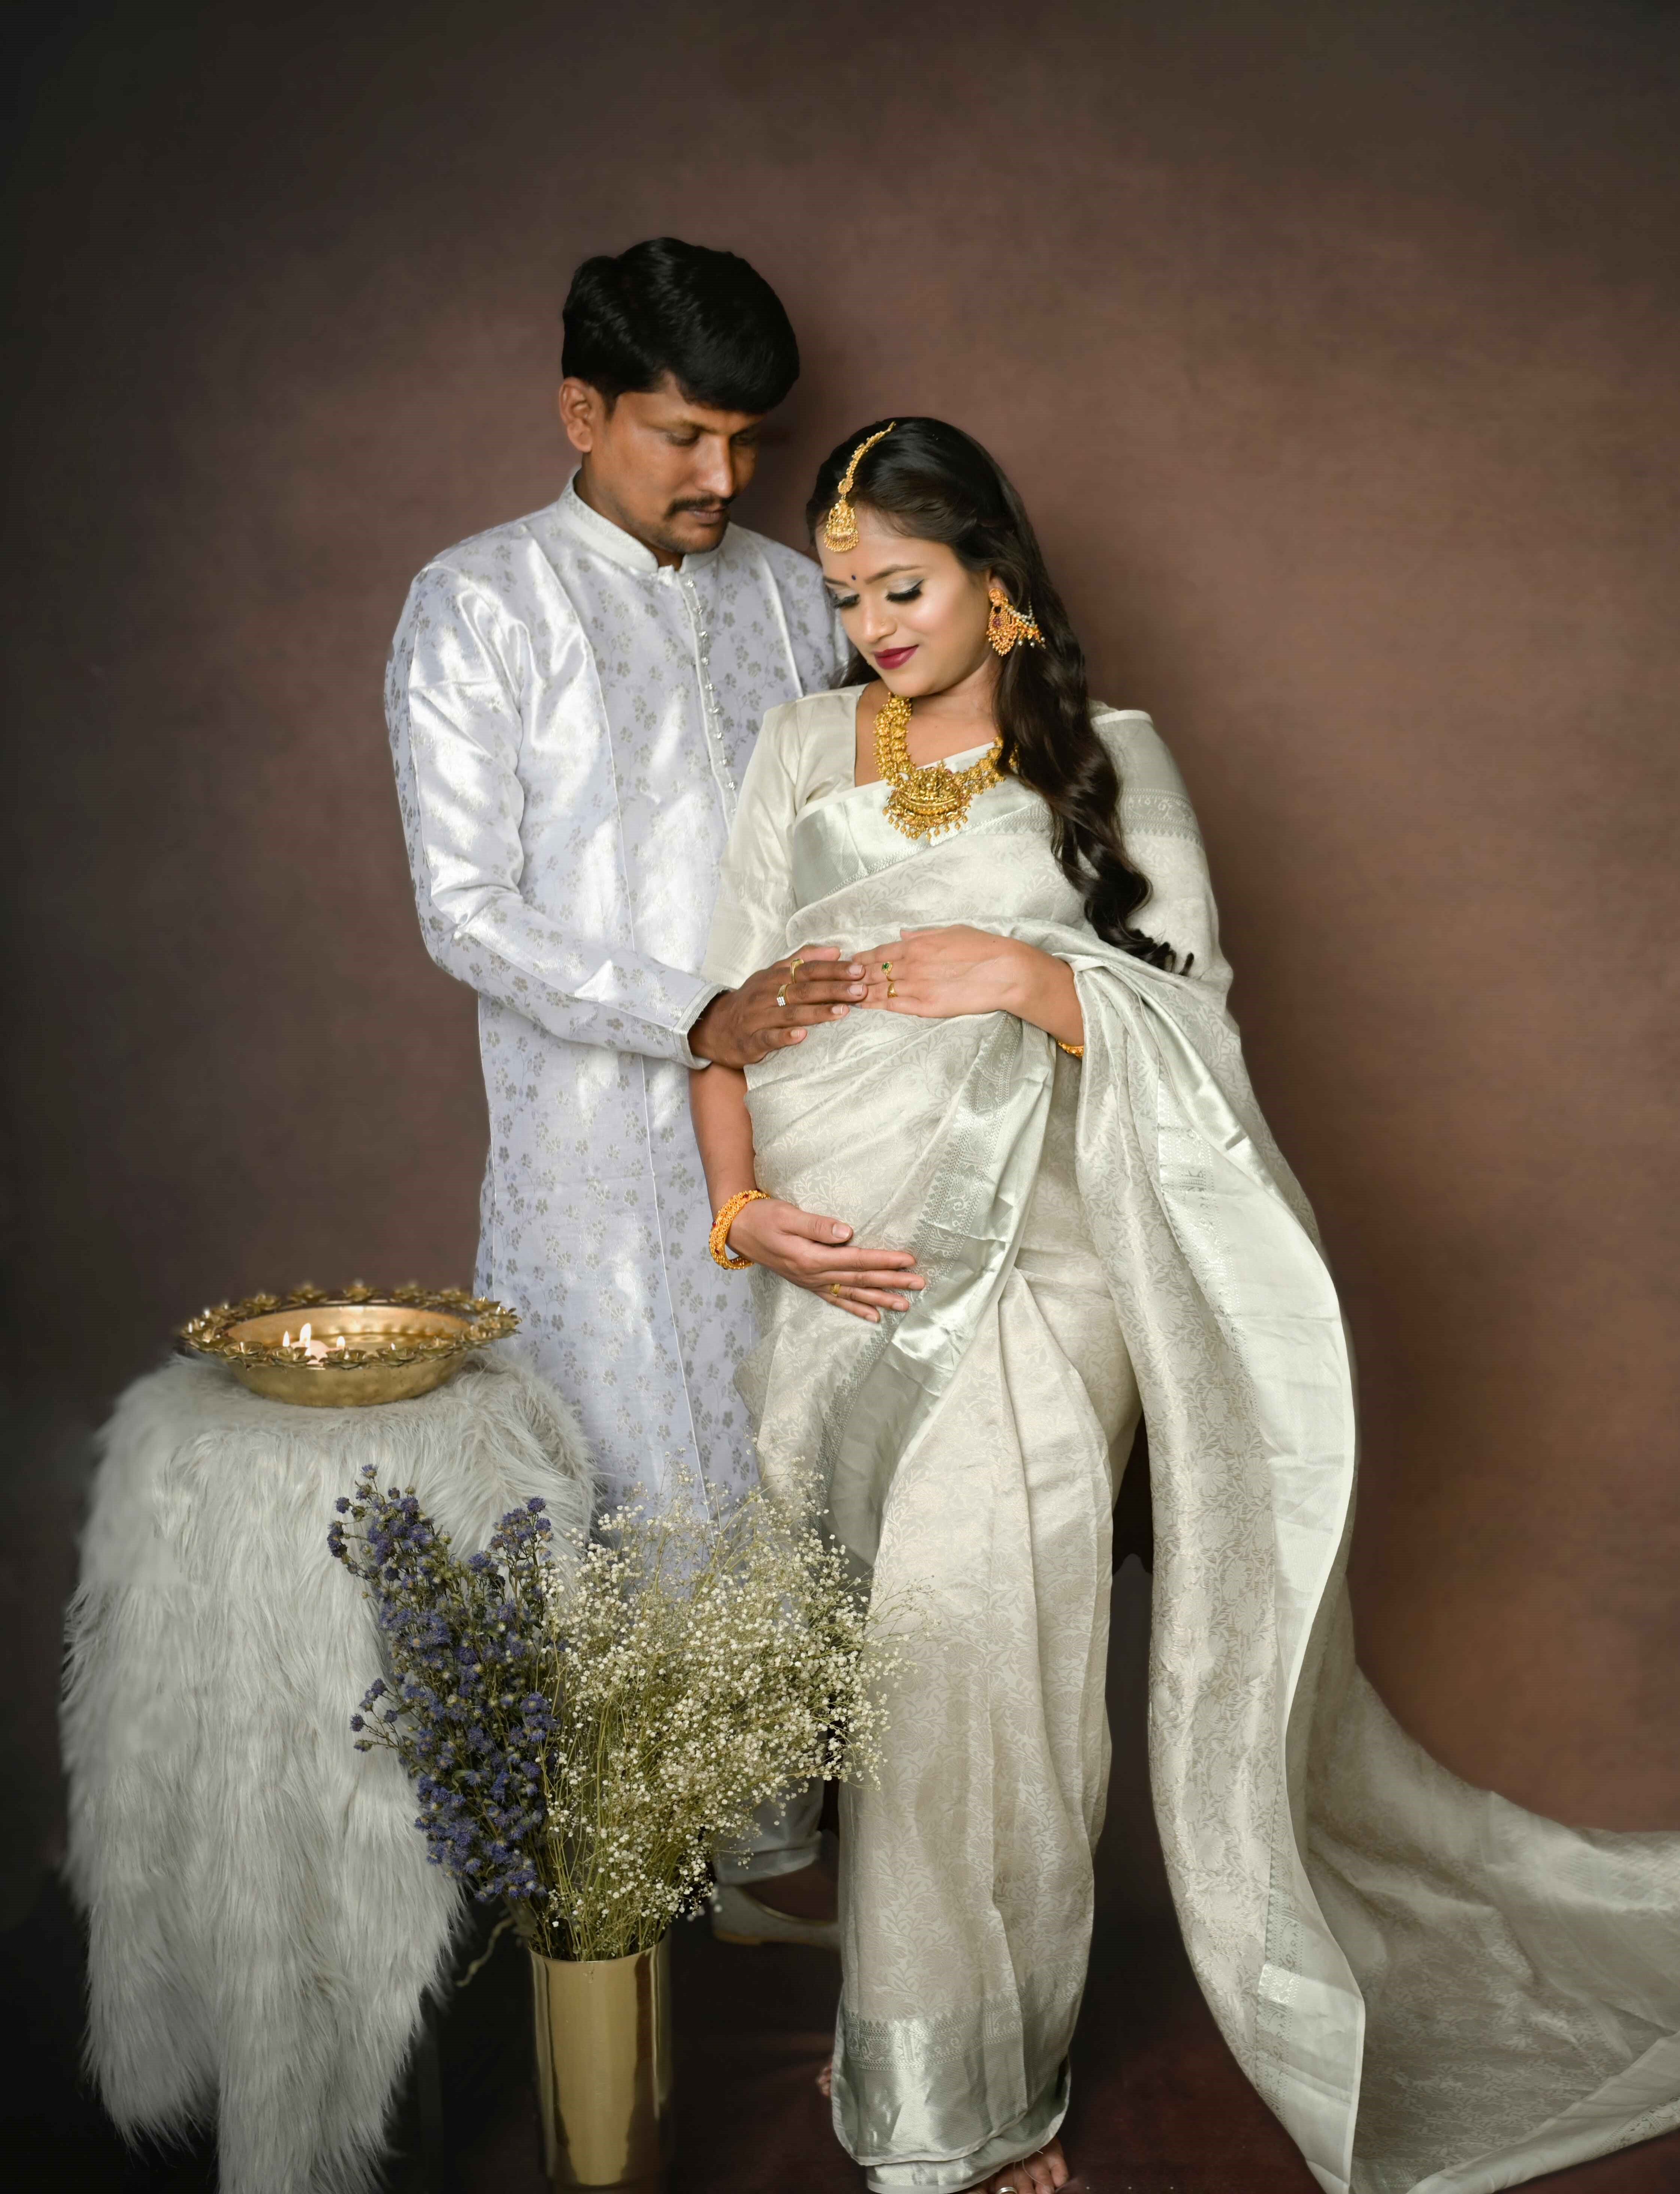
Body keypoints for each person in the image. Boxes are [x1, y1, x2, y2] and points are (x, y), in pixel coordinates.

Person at [690, 417, 1680, 2193]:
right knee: (902, 1659)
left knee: (982, 1644)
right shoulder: (791, 752)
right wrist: (744, 1213)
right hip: (836, 1269)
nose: (874, 632)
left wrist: (1027, 975)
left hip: (1047, 1262)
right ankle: (922, 2042)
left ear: (996, 578)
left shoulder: (1111, 758)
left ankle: (972, 2096)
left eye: (905, 590)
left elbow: (1192, 1022)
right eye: (846, 601)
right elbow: (718, 1021)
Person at [385, 238, 914, 1937]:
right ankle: (616, 1900)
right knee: (617, 1484)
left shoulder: (793, 598)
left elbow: (865, 840)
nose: (723, 477)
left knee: (792, 1473)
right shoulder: (482, 602)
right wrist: (697, 1016)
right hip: (591, 1156)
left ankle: (771, 1870)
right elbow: (467, 909)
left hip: (801, 1127)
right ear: (581, 411)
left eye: (746, 442)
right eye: (684, 435)